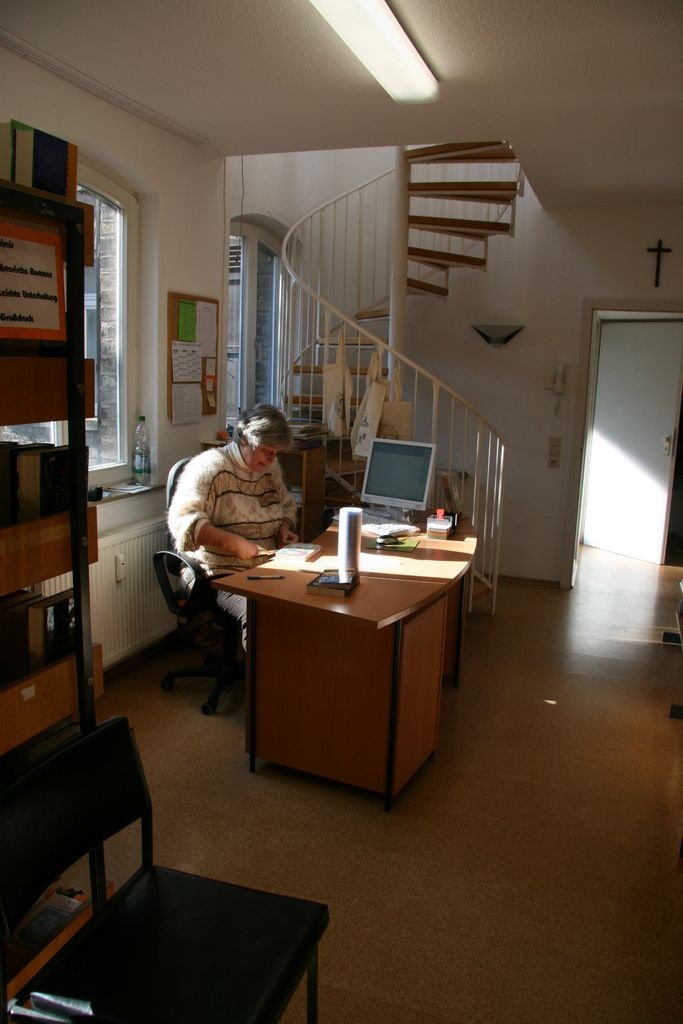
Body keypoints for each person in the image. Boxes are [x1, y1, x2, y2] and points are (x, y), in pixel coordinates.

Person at [167, 403, 299, 649]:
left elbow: (287, 505)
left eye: (276, 453)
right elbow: (182, 522)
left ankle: (286, 679)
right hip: (218, 571)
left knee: (304, 603)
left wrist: (284, 526)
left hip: (266, 566)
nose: (272, 459)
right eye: (267, 451)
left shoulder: (270, 469)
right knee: (259, 614)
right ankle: (262, 684)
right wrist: (234, 543)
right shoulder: (210, 468)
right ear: (245, 440)